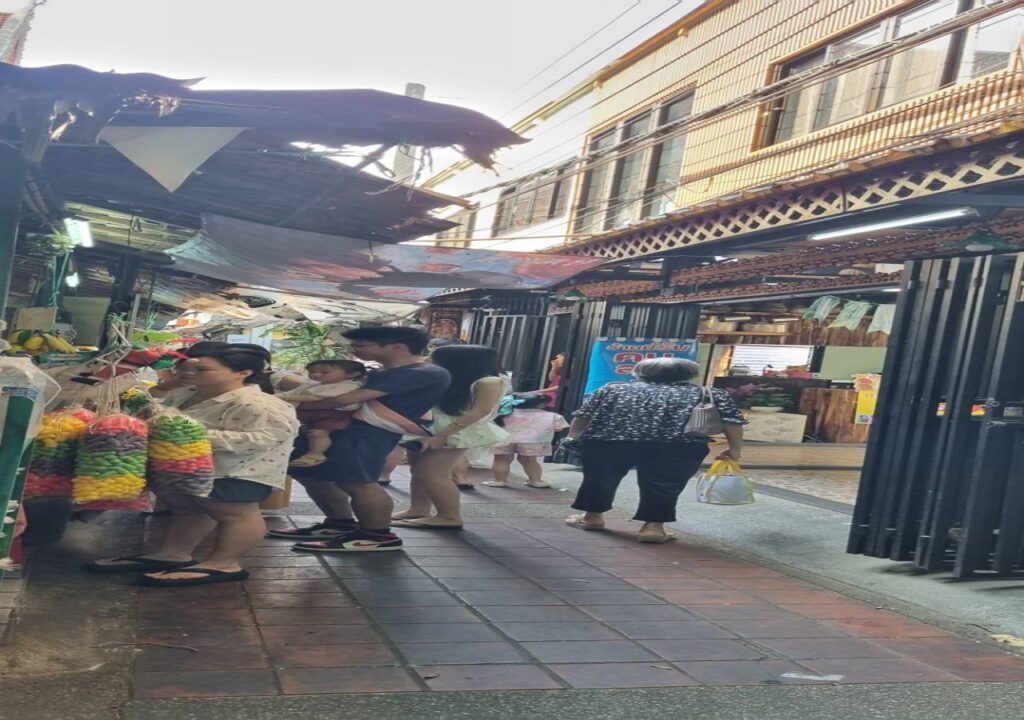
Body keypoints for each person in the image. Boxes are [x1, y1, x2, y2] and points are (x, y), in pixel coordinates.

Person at [84, 347, 299, 586]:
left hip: (235, 470)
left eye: (202, 369)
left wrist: (192, 435)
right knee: (189, 509)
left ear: (243, 372)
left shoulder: (258, 404)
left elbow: (270, 437)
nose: (189, 373)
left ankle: (224, 563)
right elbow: (156, 412)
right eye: (184, 368)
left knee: (236, 514)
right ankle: (173, 554)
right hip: (187, 468)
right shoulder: (187, 392)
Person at [268, 326, 450, 552]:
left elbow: (343, 400)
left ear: (398, 347)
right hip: (337, 429)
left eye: (360, 345)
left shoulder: (423, 372)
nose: (354, 350)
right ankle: (339, 523)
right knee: (311, 473)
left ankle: (377, 535)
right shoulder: (382, 371)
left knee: (357, 482)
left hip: (367, 433)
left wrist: (286, 404)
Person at [562, 358, 745, 543]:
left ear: (640, 372)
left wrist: (572, 437)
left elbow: (583, 415)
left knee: (599, 479)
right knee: (665, 485)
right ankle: (653, 529)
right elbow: (732, 423)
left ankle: (592, 518)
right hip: (679, 446)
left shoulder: (612, 389)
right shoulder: (710, 394)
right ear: (689, 374)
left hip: (610, 442)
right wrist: (734, 449)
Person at [391, 345, 509, 530]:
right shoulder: (448, 376)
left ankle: (449, 516)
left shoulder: (489, 381)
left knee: (432, 473)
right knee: (418, 470)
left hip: (455, 430)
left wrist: (442, 435)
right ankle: (418, 509)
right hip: (429, 427)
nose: (428, 359)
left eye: (434, 357)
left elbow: (480, 411)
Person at [282, 359, 367, 468]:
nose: (316, 375)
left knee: (318, 433)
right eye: (312, 372)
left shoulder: (348, 386)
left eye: (325, 372)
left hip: (333, 415)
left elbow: (316, 397)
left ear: (351, 374)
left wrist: (286, 398)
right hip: (313, 413)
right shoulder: (314, 384)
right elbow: (293, 392)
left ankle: (315, 454)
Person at [485, 393, 569, 489]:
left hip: (504, 439)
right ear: (541, 405)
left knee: (501, 460)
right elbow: (559, 429)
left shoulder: (503, 413)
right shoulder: (552, 416)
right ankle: (536, 481)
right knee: (530, 460)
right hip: (532, 442)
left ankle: (500, 480)